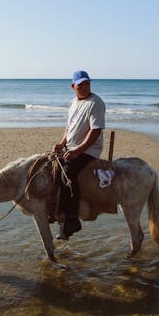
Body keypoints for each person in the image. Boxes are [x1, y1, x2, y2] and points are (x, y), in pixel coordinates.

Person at [52, 70, 106, 239]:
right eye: (81, 84)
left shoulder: (95, 102)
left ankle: (73, 219)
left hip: (89, 150)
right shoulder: (73, 103)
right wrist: (62, 143)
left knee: (68, 174)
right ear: (73, 86)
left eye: (87, 83)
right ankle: (57, 213)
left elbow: (95, 131)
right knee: (52, 168)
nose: (84, 87)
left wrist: (78, 151)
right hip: (71, 147)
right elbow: (70, 127)